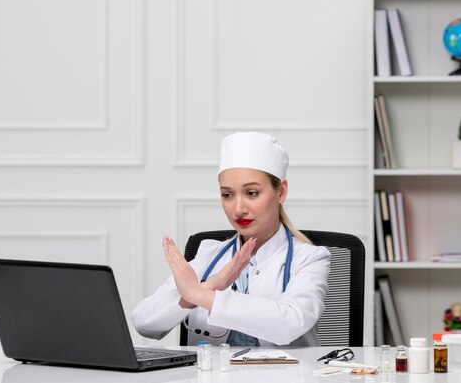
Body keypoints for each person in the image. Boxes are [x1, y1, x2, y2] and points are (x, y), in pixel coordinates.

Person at [131, 132, 331, 347]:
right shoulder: (208, 254)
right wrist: (209, 286)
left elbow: (289, 324)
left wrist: (200, 294)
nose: (238, 209)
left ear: (280, 192)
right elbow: (144, 322)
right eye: (227, 195)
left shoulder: (310, 258)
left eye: (252, 193)